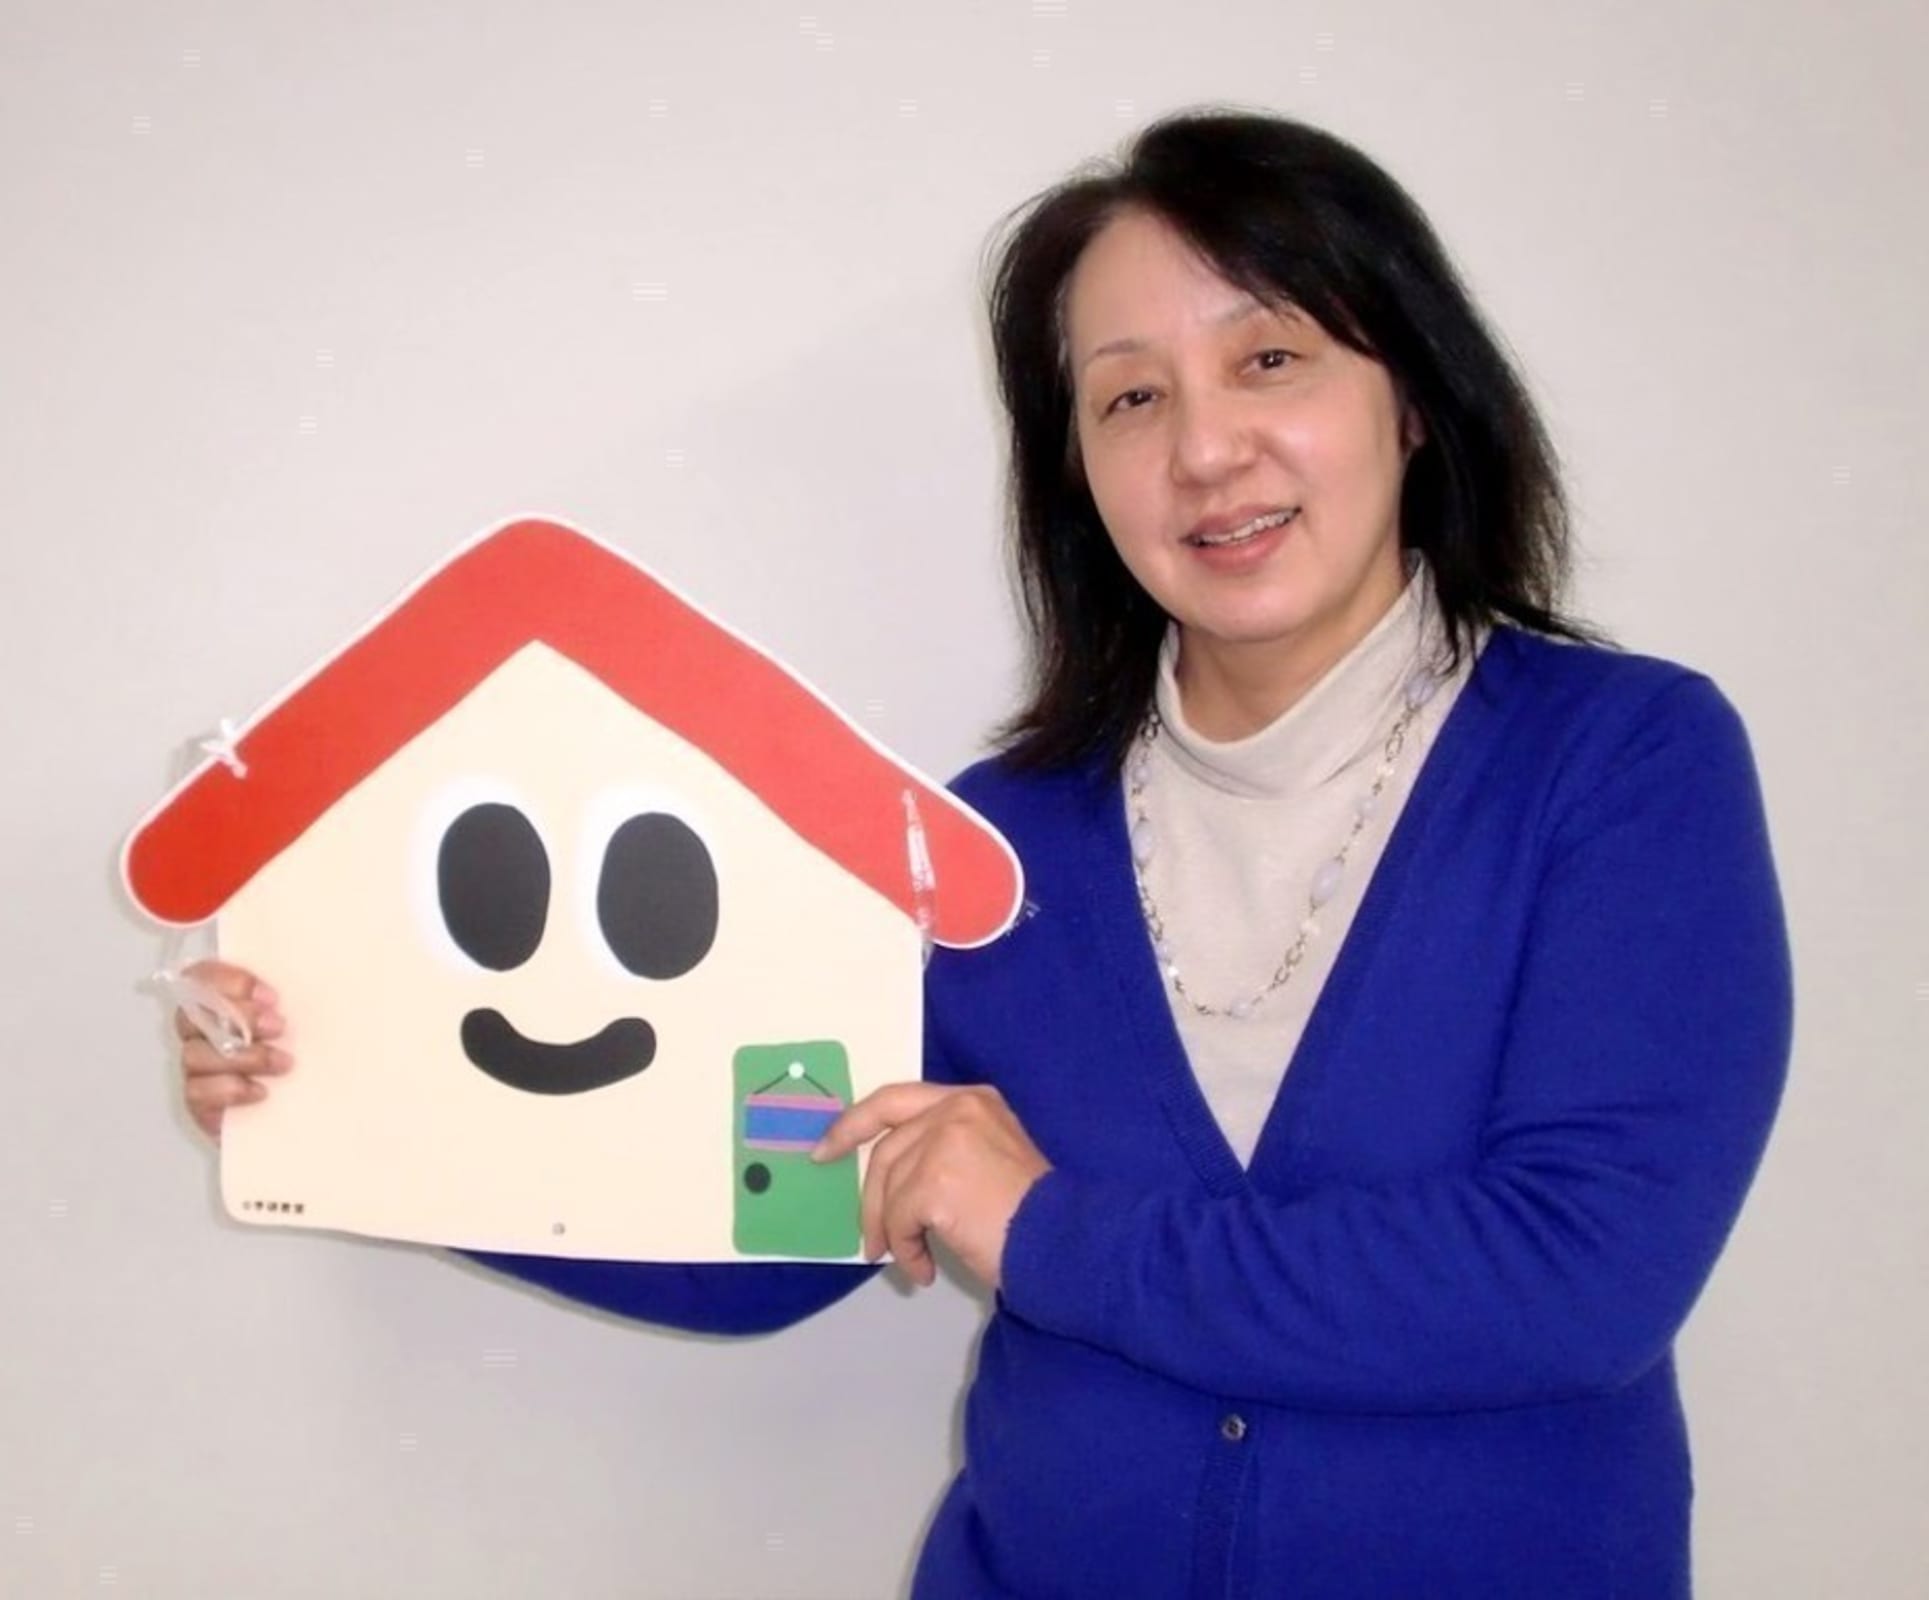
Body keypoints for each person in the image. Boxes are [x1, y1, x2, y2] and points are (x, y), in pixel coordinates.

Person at [173, 109, 1792, 1597]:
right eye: (1131, 396)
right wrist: (358, 1094)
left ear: (1415, 399)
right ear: (1077, 466)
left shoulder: (1619, 762)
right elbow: (772, 1223)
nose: (1205, 449)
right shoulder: (988, 844)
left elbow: (1578, 1277)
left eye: (1270, 359)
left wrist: (1043, 1229)